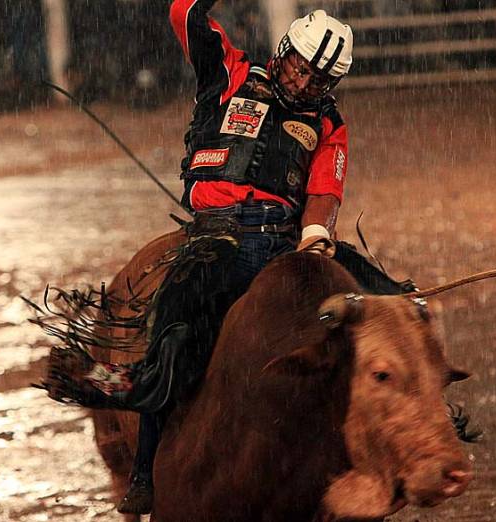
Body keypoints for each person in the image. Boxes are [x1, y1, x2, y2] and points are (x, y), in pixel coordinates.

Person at [38, 1, 414, 514]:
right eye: (300, 69)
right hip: (216, 240)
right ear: (283, 55)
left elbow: (326, 187)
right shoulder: (229, 71)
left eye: (318, 80)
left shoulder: (328, 123)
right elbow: (184, 13)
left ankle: (402, 455)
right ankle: (145, 460)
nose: (304, 85)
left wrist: (315, 234)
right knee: (174, 325)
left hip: (284, 241)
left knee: (390, 305)